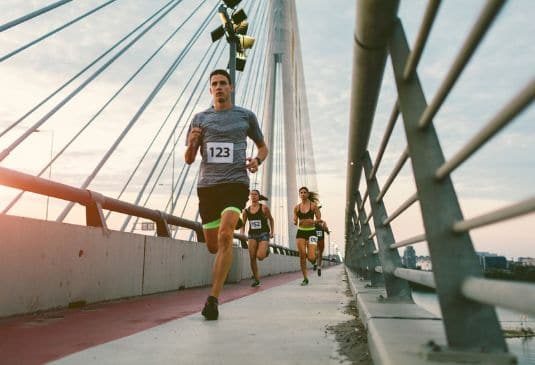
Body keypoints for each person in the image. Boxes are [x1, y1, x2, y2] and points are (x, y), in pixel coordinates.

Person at [184, 69, 268, 320]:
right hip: (208, 187)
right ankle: (229, 220)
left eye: (223, 83)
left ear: (231, 87)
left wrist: (256, 161)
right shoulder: (200, 119)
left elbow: (262, 147)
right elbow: (188, 160)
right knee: (212, 246)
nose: (219, 87)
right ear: (210, 90)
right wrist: (192, 143)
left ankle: (213, 299)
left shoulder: (245, 116)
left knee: (225, 235)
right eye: (214, 84)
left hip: (235, 184)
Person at [240, 190, 274, 287]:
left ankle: (266, 251)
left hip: (263, 234)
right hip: (252, 235)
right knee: (252, 257)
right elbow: (243, 223)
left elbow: (271, 219)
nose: (253, 196)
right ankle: (256, 279)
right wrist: (242, 232)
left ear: (259, 197)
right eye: (252, 195)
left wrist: (272, 232)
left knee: (260, 256)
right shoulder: (246, 211)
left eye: (255, 194)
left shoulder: (264, 208)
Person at [293, 186, 321, 286]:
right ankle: (305, 278)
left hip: (312, 232)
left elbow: (319, 219)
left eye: (305, 192)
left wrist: (313, 221)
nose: (303, 194)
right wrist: (295, 221)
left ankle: (315, 259)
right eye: (301, 192)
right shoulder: (296, 207)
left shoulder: (313, 206)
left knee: (311, 257)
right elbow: (295, 219)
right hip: (301, 232)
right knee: (302, 256)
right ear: (299, 195)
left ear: (308, 194)